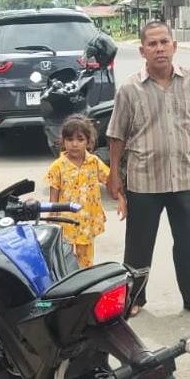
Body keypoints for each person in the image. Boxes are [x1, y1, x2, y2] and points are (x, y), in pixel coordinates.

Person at [106, 21, 190, 317]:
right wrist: (114, 174)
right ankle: (135, 298)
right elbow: (116, 134)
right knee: (138, 245)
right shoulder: (130, 89)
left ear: (174, 46)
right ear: (142, 50)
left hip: (185, 176)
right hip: (144, 180)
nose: (159, 48)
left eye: (164, 42)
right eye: (152, 44)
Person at [46, 114, 126, 268]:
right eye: (70, 140)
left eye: (80, 139)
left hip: (87, 224)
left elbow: (111, 182)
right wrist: (51, 219)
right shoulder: (57, 167)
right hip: (65, 224)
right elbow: (53, 197)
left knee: (86, 264)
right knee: (65, 261)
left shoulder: (94, 162)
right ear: (63, 142)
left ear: (88, 142)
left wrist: (121, 199)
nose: (74, 144)